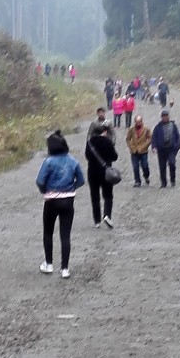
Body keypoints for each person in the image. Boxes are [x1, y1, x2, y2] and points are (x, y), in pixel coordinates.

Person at [36, 130, 84, 277]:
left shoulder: (49, 162)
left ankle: (49, 264)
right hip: (68, 201)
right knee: (65, 235)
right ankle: (65, 269)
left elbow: (39, 181)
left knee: (48, 232)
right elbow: (81, 180)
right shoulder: (73, 161)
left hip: (51, 200)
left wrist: (45, 191)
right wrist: (71, 189)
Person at [84, 109, 118, 228]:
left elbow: (87, 156)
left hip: (92, 172)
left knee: (95, 196)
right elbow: (115, 157)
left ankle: (97, 221)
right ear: (104, 131)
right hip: (106, 172)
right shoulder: (107, 142)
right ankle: (107, 215)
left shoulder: (90, 143)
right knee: (108, 195)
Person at [152, 109, 180, 187]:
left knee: (172, 163)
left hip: (171, 149)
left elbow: (178, 136)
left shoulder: (173, 125)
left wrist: (177, 146)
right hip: (161, 150)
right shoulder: (158, 127)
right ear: (161, 117)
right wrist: (154, 146)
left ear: (168, 117)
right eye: (163, 116)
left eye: (166, 116)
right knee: (162, 166)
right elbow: (154, 137)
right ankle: (163, 182)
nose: (165, 118)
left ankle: (173, 180)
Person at [126, 112, 152, 186]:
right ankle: (137, 181)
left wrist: (145, 146)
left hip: (143, 151)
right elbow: (128, 139)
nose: (138, 123)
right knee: (135, 167)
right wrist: (131, 147)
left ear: (141, 121)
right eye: (136, 122)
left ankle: (146, 176)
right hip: (134, 151)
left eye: (139, 122)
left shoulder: (146, 128)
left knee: (145, 165)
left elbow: (150, 138)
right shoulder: (131, 129)